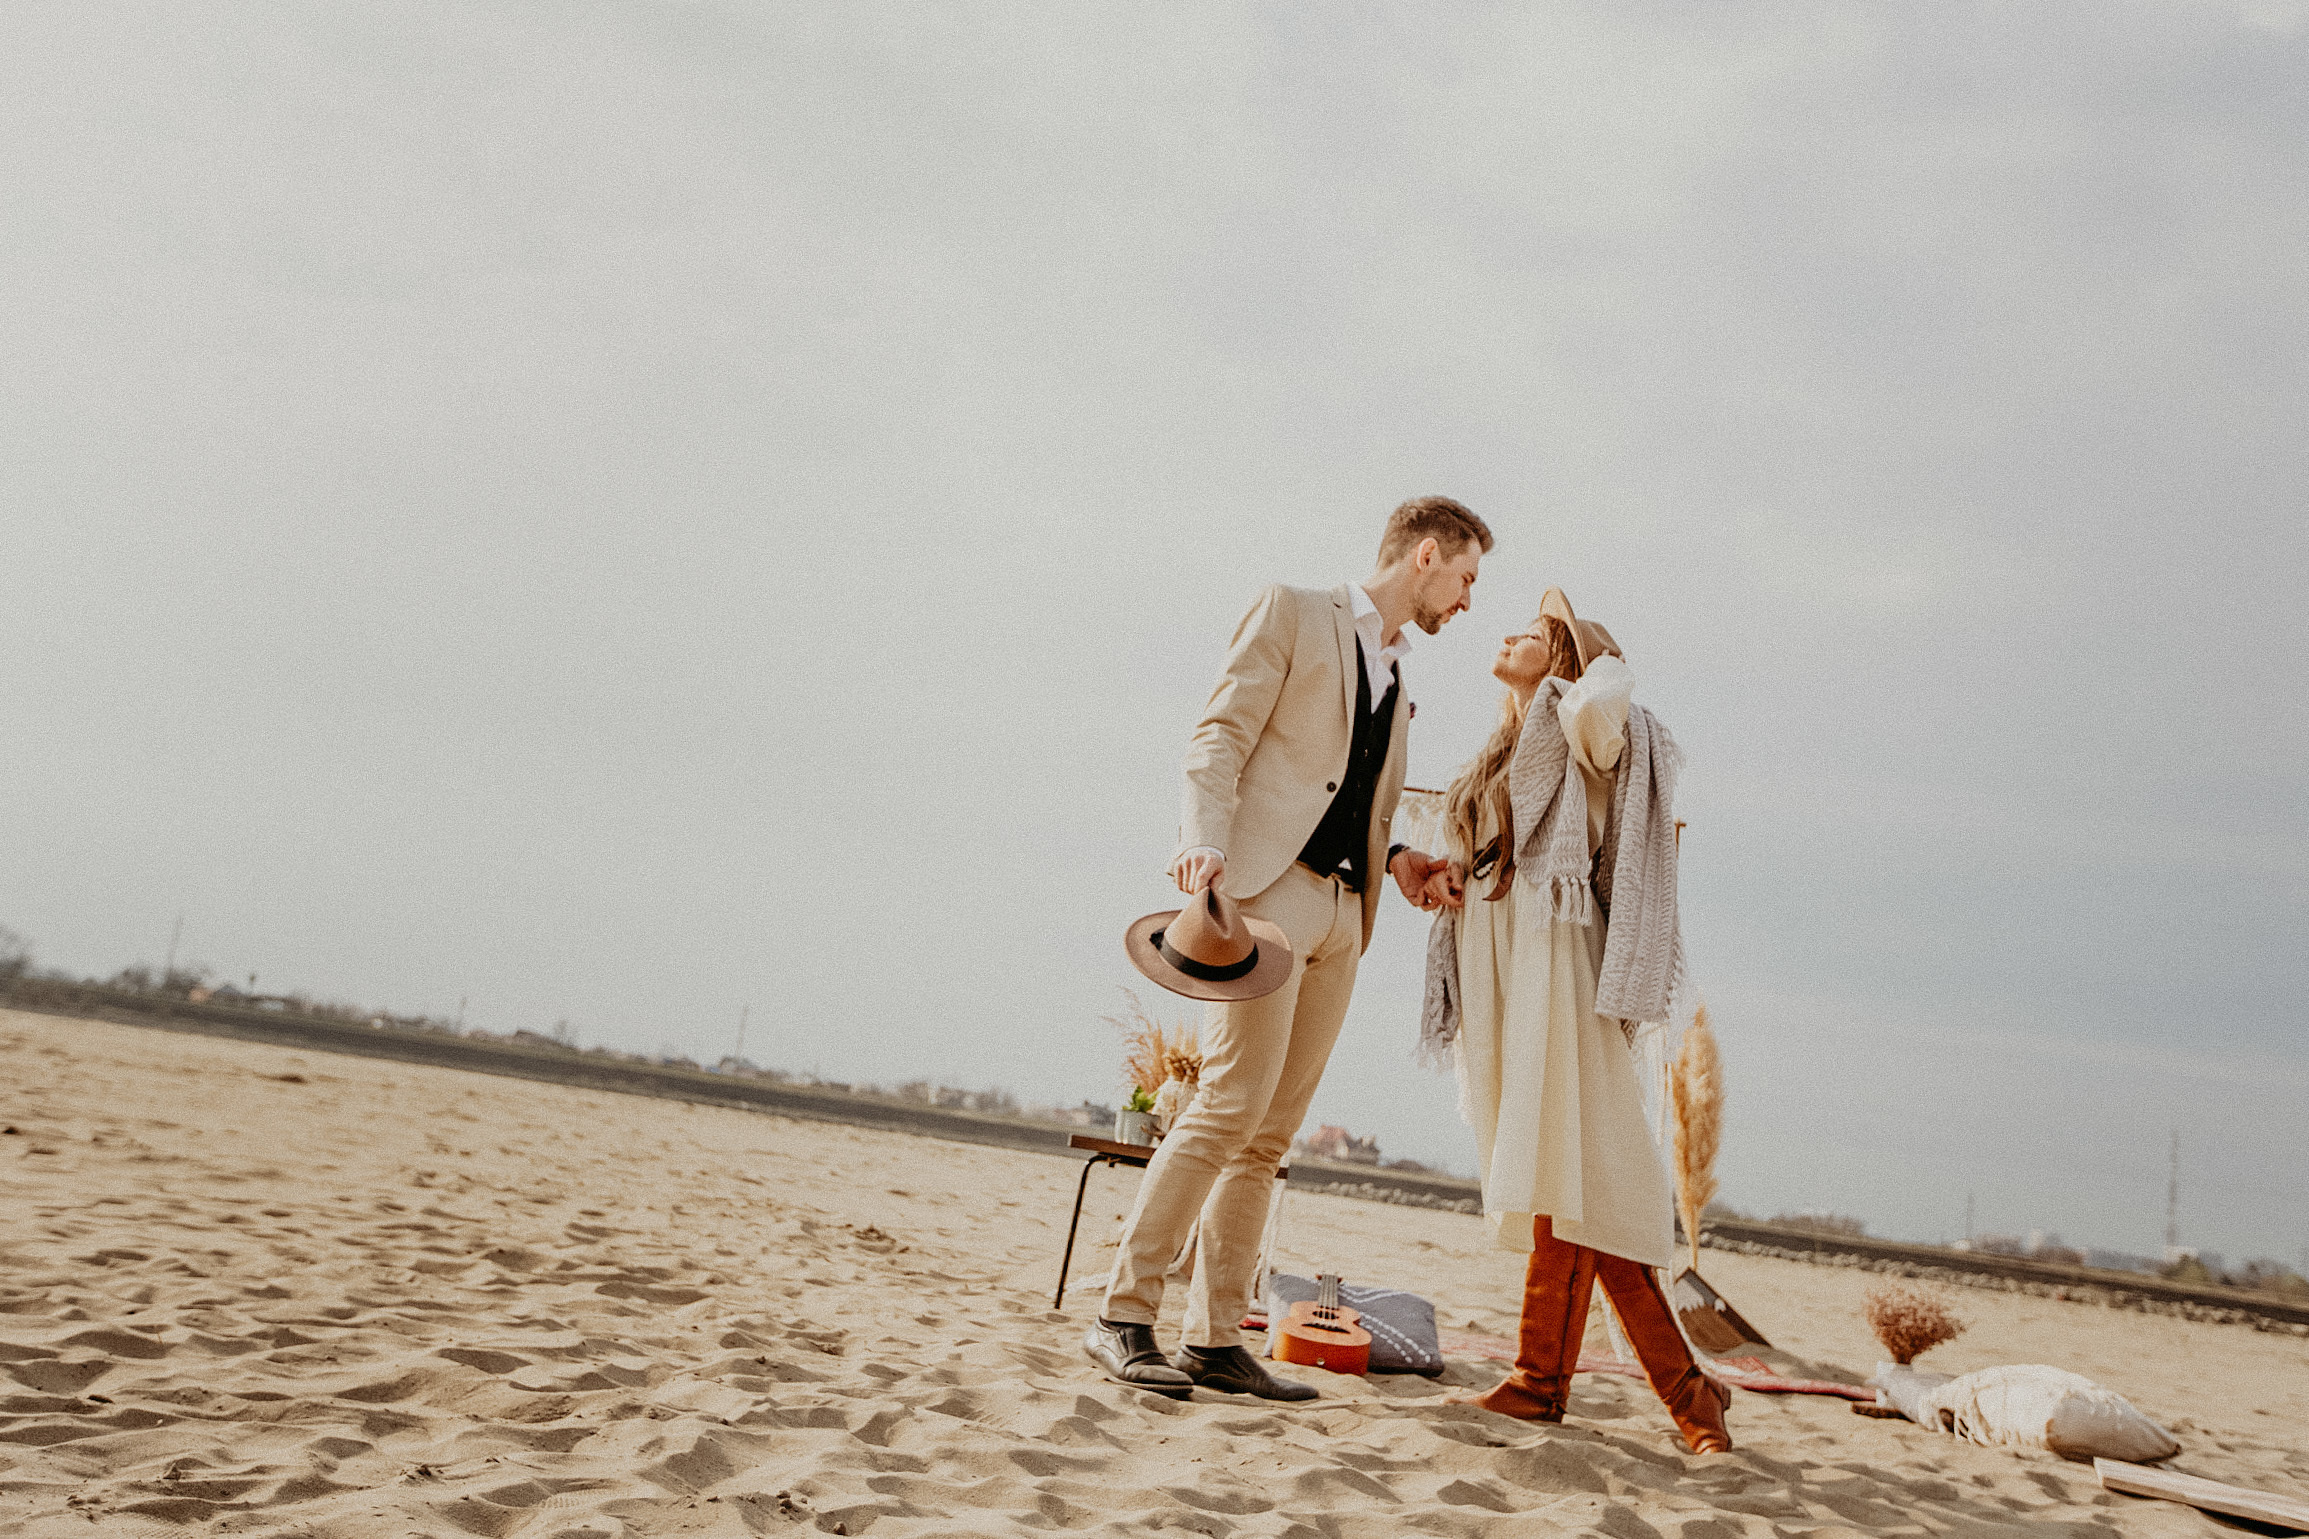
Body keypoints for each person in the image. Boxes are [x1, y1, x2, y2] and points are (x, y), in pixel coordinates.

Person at [1085, 496, 1491, 1400]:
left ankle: (1215, 1336)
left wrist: (1401, 860)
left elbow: (1347, 789)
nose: (1467, 601)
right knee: (1227, 1105)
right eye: (1466, 579)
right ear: (1426, 555)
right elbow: (1220, 734)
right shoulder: (1293, 610)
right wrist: (1205, 845)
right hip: (1264, 896)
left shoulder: (1396, 669)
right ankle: (1121, 1312)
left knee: (1269, 1136)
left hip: (1346, 914)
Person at [1417, 588, 1731, 1454]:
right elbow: (1477, 857)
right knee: (1567, 1178)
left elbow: (1607, 697)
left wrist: (1574, 660)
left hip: (1559, 973)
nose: (1508, 629)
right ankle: (1605, 1385)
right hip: (1503, 975)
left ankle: (1598, 1387)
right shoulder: (1498, 754)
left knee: (1583, 1176)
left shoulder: (1585, 732)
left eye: (1532, 628)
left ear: (1564, 657)